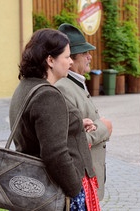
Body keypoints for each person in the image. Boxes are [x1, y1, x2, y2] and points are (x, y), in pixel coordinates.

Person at [9, 28, 100, 210]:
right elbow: (54, 154)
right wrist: (76, 188)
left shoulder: (26, 86)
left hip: (37, 187)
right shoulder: (48, 95)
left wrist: (70, 124)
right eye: (67, 57)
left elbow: (35, 131)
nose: (70, 61)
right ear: (50, 60)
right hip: (55, 190)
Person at [56, 23, 113, 200]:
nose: (89, 57)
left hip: (88, 178)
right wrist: (103, 128)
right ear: (70, 59)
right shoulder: (63, 88)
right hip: (81, 181)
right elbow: (70, 140)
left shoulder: (75, 82)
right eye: (84, 53)